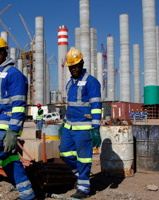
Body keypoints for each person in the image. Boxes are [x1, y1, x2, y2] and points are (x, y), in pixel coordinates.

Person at [0, 36, 35, 200]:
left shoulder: (13, 73)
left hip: (7, 125)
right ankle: (28, 195)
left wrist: (13, 131)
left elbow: (19, 104)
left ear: (5, 53)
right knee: (10, 160)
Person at [59, 49, 101, 199]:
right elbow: (69, 107)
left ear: (82, 64)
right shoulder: (70, 84)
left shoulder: (91, 82)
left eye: (76, 66)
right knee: (64, 152)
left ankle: (84, 188)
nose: (73, 69)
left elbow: (96, 106)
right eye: (71, 67)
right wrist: (63, 123)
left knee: (84, 158)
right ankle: (81, 175)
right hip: (69, 127)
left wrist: (95, 129)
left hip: (84, 128)